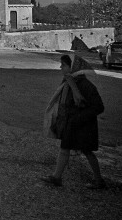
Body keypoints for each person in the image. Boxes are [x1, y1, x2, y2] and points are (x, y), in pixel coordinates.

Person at [41, 54, 106, 189]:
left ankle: (99, 181)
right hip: (71, 123)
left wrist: (79, 118)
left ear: (72, 67)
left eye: (64, 65)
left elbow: (99, 107)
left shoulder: (85, 85)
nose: (61, 67)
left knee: (87, 151)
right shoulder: (69, 82)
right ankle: (57, 177)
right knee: (65, 149)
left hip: (83, 126)